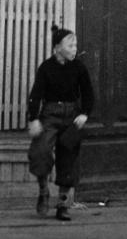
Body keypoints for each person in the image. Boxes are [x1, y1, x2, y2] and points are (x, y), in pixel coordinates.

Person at [27, 25, 94, 221]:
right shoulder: (46, 68)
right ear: (57, 48)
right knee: (40, 151)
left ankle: (63, 205)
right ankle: (43, 191)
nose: (74, 49)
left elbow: (88, 94)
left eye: (76, 45)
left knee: (68, 158)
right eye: (70, 45)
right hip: (50, 115)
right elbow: (35, 95)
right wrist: (34, 119)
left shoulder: (79, 67)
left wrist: (84, 114)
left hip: (72, 116)